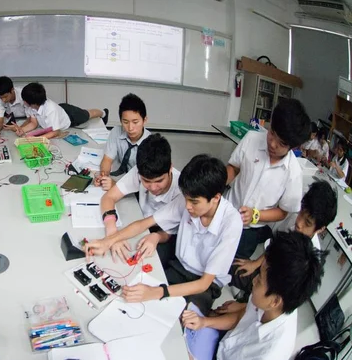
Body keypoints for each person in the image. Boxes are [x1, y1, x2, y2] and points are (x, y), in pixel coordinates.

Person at [87, 155, 242, 315]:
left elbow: (203, 284)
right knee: (134, 297)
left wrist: (155, 292)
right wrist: (108, 240)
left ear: (216, 198)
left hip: (205, 285)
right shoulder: (189, 199)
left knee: (181, 320)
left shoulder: (231, 223)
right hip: (179, 267)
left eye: (194, 202)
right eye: (186, 199)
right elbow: (145, 223)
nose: (187, 206)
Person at [182, 232, 325, 360]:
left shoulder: (271, 352)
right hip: (224, 345)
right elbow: (242, 317)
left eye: (260, 280)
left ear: (275, 301)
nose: (254, 281)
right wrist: (204, 322)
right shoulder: (267, 300)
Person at [226, 98, 311, 259]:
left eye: (282, 143)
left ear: (292, 146)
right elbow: (234, 168)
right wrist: (216, 184)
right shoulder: (251, 139)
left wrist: (255, 215)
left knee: (227, 266)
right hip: (226, 209)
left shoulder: (293, 174)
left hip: (250, 230)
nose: (272, 144)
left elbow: (283, 212)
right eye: (272, 132)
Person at [230, 180, 336, 300]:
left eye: (307, 223)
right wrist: (255, 264)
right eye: (301, 213)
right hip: (265, 271)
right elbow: (275, 244)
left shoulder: (308, 260)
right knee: (230, 264)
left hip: (273, 291)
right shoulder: (293, 221)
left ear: (320, 229)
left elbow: (280, 301)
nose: (299, 223)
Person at [97, 134, 181, 262]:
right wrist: (111, 230)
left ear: (170, 168)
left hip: (165, 234)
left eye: (159, 181)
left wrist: (157, 236)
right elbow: (108, 197)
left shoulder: (181, 191)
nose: (153, 187)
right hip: (142, 222)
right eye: (146, 181)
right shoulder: (140, 170)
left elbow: (173, 231)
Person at [12, 82, 108, 139]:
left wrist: (37, 139)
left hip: (71, 116)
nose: (23, 101)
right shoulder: (31, 107)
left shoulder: (50, 110)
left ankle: (104, 113)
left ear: (32, 102)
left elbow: (55, 132)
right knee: (86, 112)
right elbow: (33, 123)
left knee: (88, 114)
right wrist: (22, 130)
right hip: (60, 110)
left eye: (24, 100)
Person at [95, 93, 150, 190]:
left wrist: (116, 186)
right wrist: (104, 176)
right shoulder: (116, 131)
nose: (130, 128)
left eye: (135, 122)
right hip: (123, 177)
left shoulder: (151, 144)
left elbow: (146, 182)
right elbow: (107, 160)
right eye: (125, 122)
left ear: (144, 120)